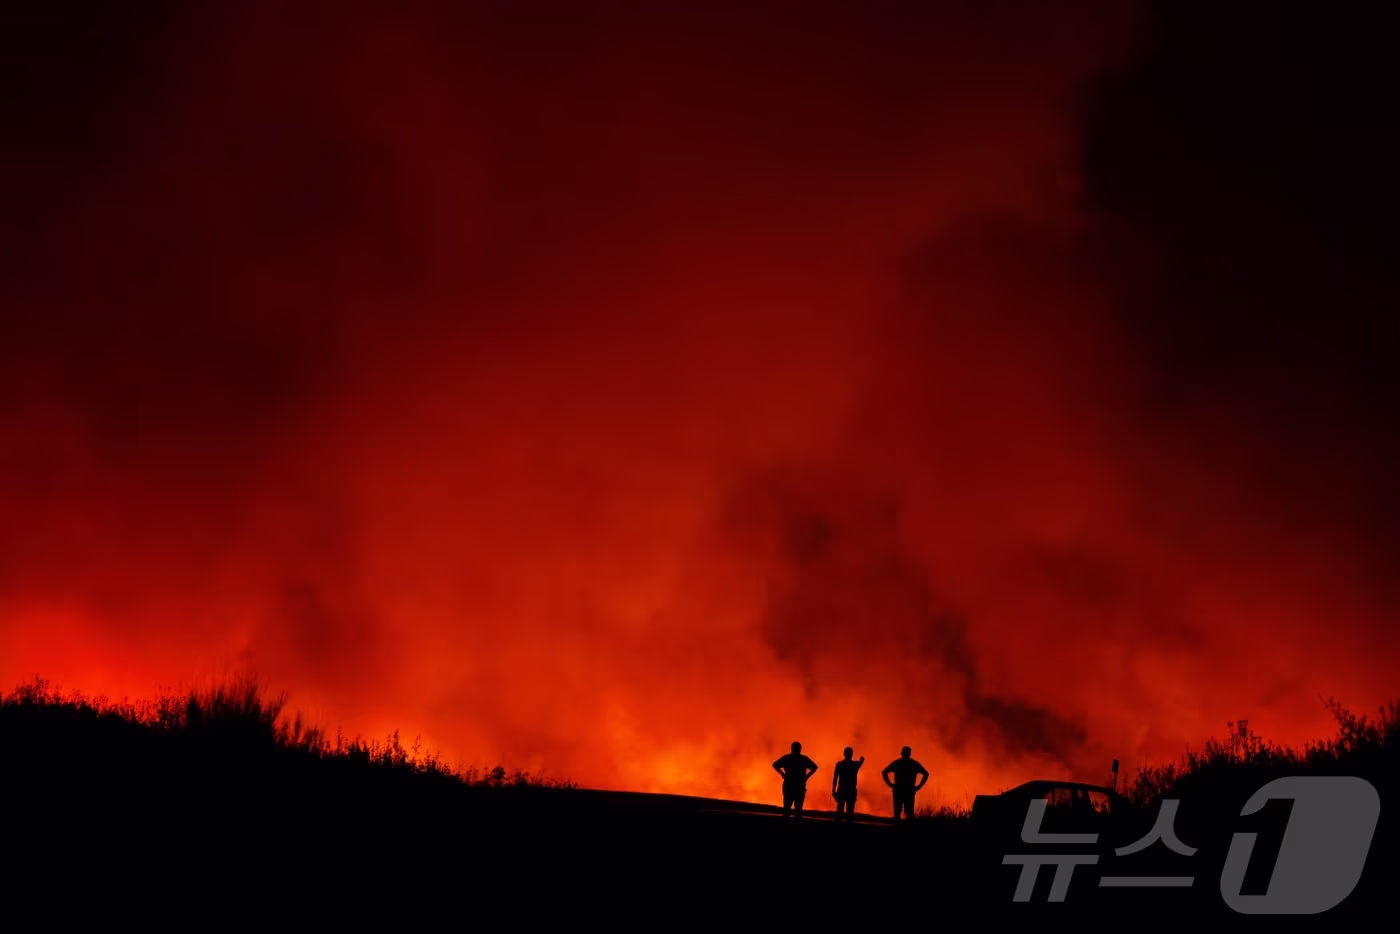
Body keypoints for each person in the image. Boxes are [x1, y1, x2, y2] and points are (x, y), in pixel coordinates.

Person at [772, 741, 819, 818]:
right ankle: (797, 826)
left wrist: (782, 774)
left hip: (788, 785)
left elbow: (775, 765)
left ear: (791, 749)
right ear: (800, 749)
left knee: (787, 808)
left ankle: (785, 825)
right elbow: (815, 767)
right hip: (799, 786)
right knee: (798, 809)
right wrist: (807, 777)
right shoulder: (804, 759)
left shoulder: (787, 758)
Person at [882, 746, 928, 821]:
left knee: (897, 814)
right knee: (909, 814)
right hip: (909, 791)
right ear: (910, 754)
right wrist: (919, 786)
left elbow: (884, 772)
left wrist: (890, 784)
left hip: (898, 790)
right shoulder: (914, 764)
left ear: (901, 753)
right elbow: (926, 774)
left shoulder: (897, 763)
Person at [831, 747, 864, 821]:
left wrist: (833, 790)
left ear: (844, 754)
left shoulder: (840, 764)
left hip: (842, 789)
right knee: (850, 812)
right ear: (851, 754)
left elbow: (835, 778)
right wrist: (861, 760)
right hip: (851, 790)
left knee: (840, 811)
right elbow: (861, 762)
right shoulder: (854, 765)